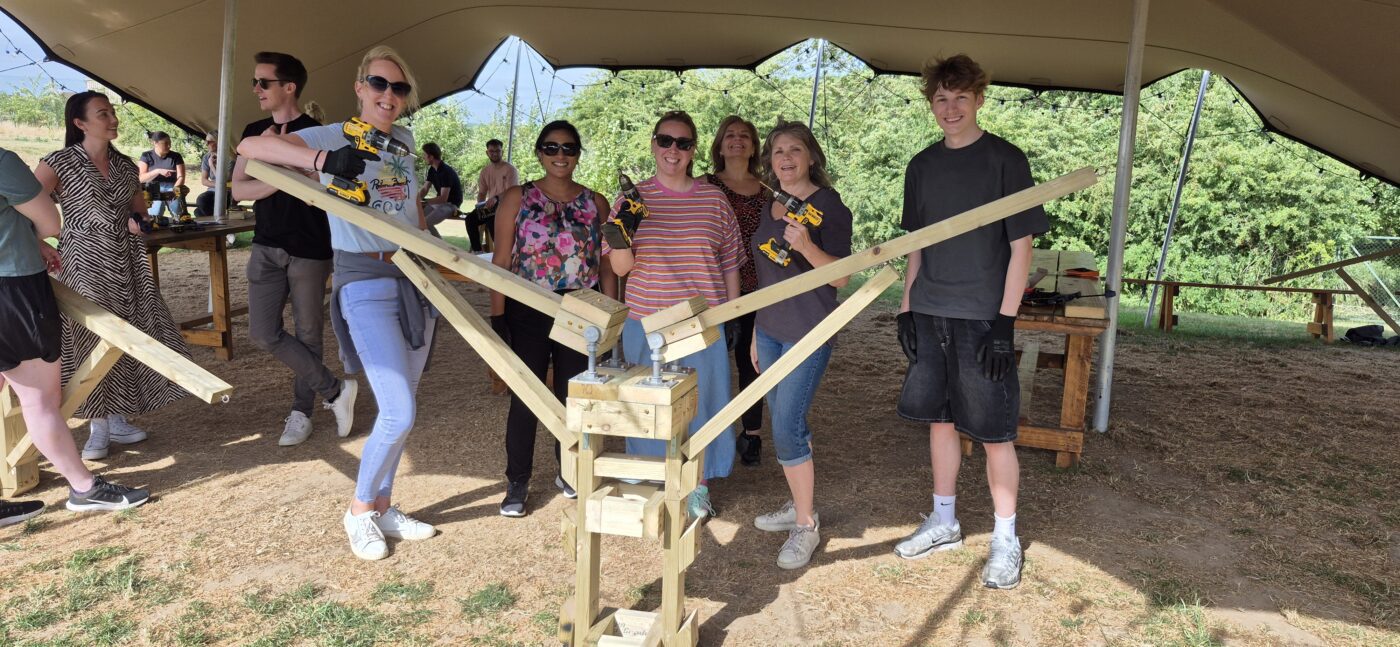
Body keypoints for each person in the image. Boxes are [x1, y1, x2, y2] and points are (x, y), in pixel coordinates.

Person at [238, 45, 437, 561]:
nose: (387, 96)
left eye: (398, 88)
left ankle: (385, 505)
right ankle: (359, 512)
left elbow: (411, 207)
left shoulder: (405, 142)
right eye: (378, 84)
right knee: (397, 411)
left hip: (412, 276)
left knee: (406, 412)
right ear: (359, 87)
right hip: (362, 277)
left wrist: (430, 249)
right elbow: (253, 149)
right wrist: (323, 160)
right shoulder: (336, 134)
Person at [892, 54, 1048, 591]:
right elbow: (915, 245)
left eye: (960, 98)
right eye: (941, 99)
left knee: (994, 431)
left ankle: (1006, 537)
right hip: (931, 309)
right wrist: (906, 306)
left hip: (983, 315)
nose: (950, 108)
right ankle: (943, 519)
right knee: (939, 420)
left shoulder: (1007, 160)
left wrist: (1006, 322)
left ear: (980, 99)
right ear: (930, 104)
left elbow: (1021, 246)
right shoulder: (922, 166)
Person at [32, 92, 190, 461]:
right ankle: (97, 424)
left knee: (127, 334)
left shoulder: (122, 164)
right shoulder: (59, 162)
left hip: (127, 260)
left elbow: (139, 210)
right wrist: (39, 242)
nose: (113, 119)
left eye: (113, 112)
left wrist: (141, 223)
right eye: (103, 113)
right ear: (80, 123)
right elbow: (26, 205)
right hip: (83, 261)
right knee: (89, 339)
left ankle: (117, 416)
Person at [603, 110, 744, 520]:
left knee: (702, 406)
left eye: (683, 143)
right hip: (646, 322)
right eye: (666, 141)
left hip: (701, 324)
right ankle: (651, 480)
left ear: (693, 150)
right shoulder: (631, 200)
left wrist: (731, 316)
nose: (673, 151)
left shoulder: (713, 198)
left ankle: (697, 485)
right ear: (653, 145)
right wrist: (622, 231)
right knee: (646, 408)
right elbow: (620, 268)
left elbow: (731, 259)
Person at [0, 147, 152, 519]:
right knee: (39, 400)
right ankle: (84, 488)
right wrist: (31, 236)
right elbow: (51, 223)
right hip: (12, 288)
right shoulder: (3, 162)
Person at [489, 121, 617, 517]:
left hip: (582, 308)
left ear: (578, 153)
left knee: (572, 395)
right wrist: (498, 316)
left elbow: (607, 264)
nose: (560, 155)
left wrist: (611, 315)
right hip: (528, 305)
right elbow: (501, 261)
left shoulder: (596, 202)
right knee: (527, 397)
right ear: (539, 152)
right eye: (551, 147)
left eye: (569, 148)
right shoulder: (517, 197)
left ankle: (569, 468)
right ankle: (517, 480)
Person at [231, 50, 358, 447]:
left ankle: (301, 411)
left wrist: (275, 172)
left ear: (289, 87)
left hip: (310, 247)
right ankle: (335, 389)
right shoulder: (253, 134)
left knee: (308, 333)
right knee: (262, 332)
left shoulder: (317, 134)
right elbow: (238, 189)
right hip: (266, 245)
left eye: (263, 82)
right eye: (255, 82)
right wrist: (283, 176)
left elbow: (322, 191)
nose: (256, 89)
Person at [748, 121, 852, 570]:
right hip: (770, 330)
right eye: (777, 151)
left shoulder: (829, 205)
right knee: (785, 422)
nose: (785, 158)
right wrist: (756, 328)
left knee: (787, 426)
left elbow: (842, 277)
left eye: (795, 150)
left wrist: (808, 245)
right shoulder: (770, 205)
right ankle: (798, 504)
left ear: (811, 156)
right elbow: (767, 277)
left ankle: (806, 526)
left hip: (808, 331)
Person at [703, 115, 768, 466]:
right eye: (730, 135)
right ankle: (706, 431)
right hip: (712, 285)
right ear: (719, 144)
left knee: (750, 361)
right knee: (710, 362)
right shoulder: (705, 185)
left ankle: (752, 434)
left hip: (756, 287)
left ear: (754, 145)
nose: (737, 140)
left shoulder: (768, 190)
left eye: (745, 135)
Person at [466, 138, 518, 252]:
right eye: (491, 151)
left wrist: (496, 198)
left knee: (491, 220)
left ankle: (502, 254)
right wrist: (479, 205)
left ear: (502, 152)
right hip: (490, 206)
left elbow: (512, 192)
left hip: (506, 206)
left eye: (497, 151)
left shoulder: (510, 169)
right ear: (487, 153)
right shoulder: (485, 171)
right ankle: (478, 252)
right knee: (470, 219)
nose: (494, 153)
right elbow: (482, 192)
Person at [136, 131, 186, 218]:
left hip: (173, 186)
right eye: (166, 143)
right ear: (155, 143)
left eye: (170, 143)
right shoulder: (146, 155)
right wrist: (158, 171)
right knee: (156, 211)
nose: (169, 146)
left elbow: (181, 177)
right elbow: (141, 178)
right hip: (153, 187)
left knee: (178, 211)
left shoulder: (176, 156)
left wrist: (174, 190)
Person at [417, 142, 463, 237]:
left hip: (451, 205)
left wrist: (424, 202)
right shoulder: (432, 170)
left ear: (431, 157)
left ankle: (441, 248)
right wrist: (416, 199)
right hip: (440, 203)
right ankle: (434, 247)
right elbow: (425, 189)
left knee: (424, 223)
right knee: (418, 221)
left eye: (424, 155)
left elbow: (443, 198)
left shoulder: (446, 171)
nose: (423, 157)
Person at [194, 131, 231, 216]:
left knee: (199, 211)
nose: (206, 144)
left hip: (227, 192)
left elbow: (224, 180)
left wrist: (212, 166)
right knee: (201, 201)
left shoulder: (230, 158)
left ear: (219, 142)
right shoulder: (207, 157)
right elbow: (204, 180)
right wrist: (219, 185)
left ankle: (215, 225)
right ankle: (216, 225)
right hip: (213, 190)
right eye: (205, 141)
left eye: (209, 142)